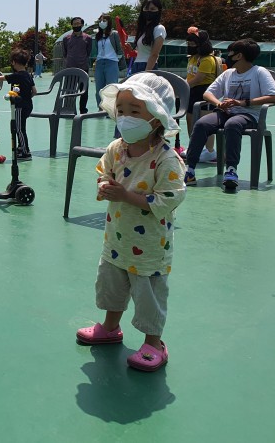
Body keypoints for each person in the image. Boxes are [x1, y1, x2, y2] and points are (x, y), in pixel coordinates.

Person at [76, 72, 186, 372]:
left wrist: (125, 196)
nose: (125, 117)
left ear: (157, 117)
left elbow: (169, 198)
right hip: (117, 239)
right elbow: (104, 172)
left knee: (149, 295)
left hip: (149, 246)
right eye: (121, 110)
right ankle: (111, 327)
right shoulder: (116, 149)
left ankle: (154, 343)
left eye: (135, 111)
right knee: (111, 284)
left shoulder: (166, 159)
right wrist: (104, 185)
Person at [183, 39, 275, 191]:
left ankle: (231, 170)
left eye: (230, 53)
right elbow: (207, 94)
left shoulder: (259, 72)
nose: (227, 56)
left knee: (232, 124)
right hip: (225, 113)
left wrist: (244, 103)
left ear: (239, 56)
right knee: (202, 123)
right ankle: (190, 170)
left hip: (249, 115)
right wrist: (219, 104)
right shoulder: (228, 73)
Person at [0, 49, 37, 160]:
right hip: (28, 105)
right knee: (20, 126)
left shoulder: (17, 75)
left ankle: (26, 152)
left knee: (19, 129)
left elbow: (0, 78)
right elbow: (34, 91)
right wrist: (27, 98)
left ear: (14, 62)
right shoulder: (28, 75)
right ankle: (21, 148)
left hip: (19, 107)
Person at [184, 27, 220, 162]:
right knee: (190, 119)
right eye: (189, 42)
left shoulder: (207, 59)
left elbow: (199, 78)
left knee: (206, 122)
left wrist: (183, 87)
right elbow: (190, 76)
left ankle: (209, 151)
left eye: (193, 42)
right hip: (192, 91)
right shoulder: (193, 58)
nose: (190, 45)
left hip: (204, 91)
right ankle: (194, 147)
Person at [61, 17, 93, 113]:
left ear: (82, 25)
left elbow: (88, 52)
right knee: (69, 90)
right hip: (70, 69)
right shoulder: (66, 39)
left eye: (78, 23)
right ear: (72, 25)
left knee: (84, 91)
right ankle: (69, 109)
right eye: (74, 24)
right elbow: (65, 53)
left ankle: (83, 110)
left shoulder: (88, 38)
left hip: (83, 68)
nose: (76, 25)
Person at [93, 15, 125, 109]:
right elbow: (97, 49)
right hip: (100, 63)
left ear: (109, 22)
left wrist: (116, 60)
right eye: (100, 20)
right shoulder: (97, 35)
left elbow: (119, 49)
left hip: (111, 62)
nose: (102, 22)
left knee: (112, 87)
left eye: (104, 20)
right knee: (99, 88)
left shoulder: (114, 34)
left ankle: (112, 109)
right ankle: (100, 109)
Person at [130, 0, 166, 74]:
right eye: (146, 8)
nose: (149, 11)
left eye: (152, 9)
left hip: (148, 66)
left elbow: (154, 54)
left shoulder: (159, 28)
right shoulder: (142, 30)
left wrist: (146, 73)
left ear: (158, 11)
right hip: (136, 65)